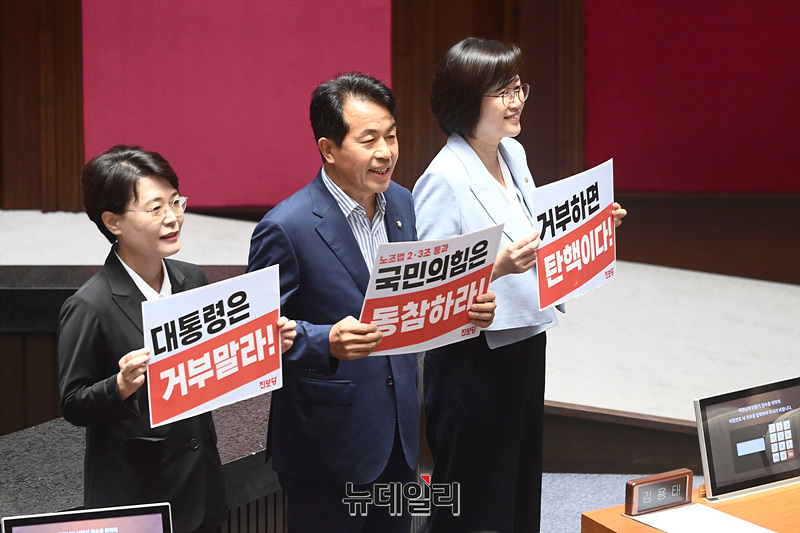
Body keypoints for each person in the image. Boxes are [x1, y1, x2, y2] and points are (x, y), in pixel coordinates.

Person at [246, 73, 496, 533]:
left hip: (398, 431)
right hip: (326, 444)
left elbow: (415, 296)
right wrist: (324, 340)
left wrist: (465, 307)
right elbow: (253, 336)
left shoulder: (402, 203)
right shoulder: (285, 227)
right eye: (369, 140)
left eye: (391, 136)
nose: (386, 152)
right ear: (328, 149)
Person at [412, 37, 628, 533]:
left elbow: (535, 229)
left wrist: (594, 226)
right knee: (474, 495)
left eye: (518, 88)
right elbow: (428, 288)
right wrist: (497, 268)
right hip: (472, 358)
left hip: (526, 338)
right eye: (503, 92)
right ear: (468, 99)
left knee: (519, 481)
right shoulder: (443, 178)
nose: (517, 101)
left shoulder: (512, 153)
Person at [57, 145, 296, 533]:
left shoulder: (191, 278)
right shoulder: (90, 305)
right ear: (113, 222)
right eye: (156, 209)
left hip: (201, 488)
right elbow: (73, 403)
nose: (173, 218)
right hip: (137, 499)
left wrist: (262, 344)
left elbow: (210, 366)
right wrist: (119, 385)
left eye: (175, 201)